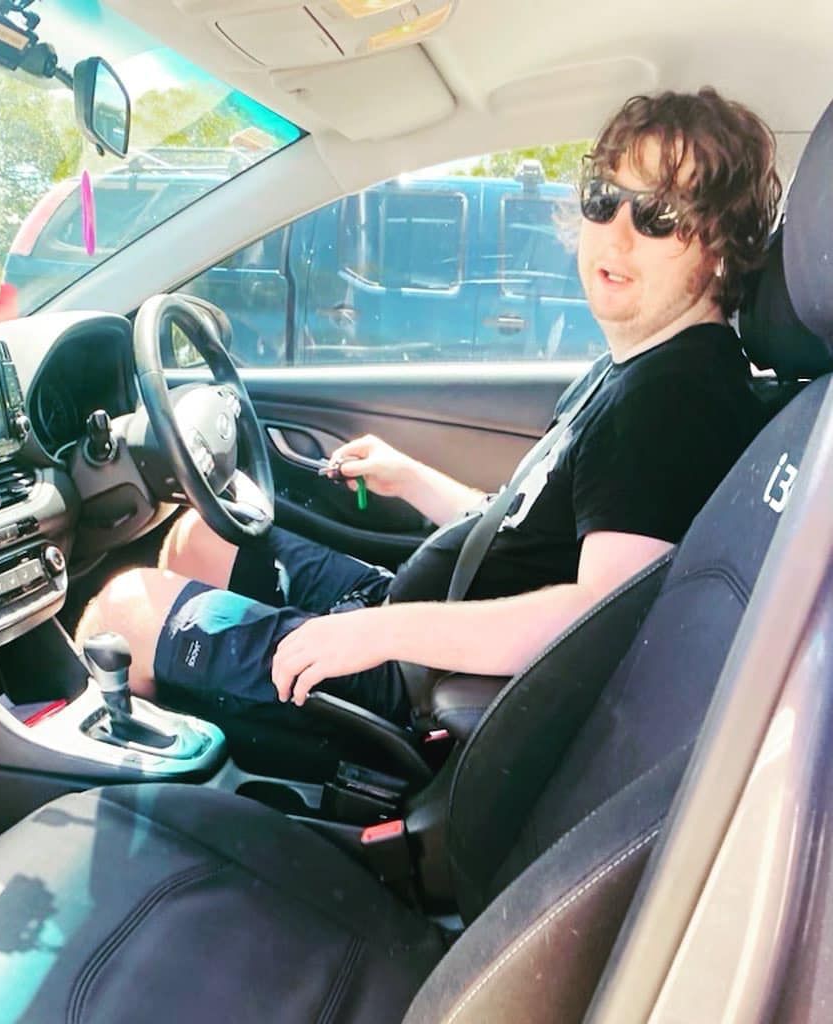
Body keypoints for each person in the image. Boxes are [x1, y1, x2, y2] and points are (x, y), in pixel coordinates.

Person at [75, 87, 781, 730]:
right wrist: (411, 479)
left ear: (722, 246)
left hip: (414, 682)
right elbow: (524, 526)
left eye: (657, 216)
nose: (616, 235)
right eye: (604, 201)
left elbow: (595, 614)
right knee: (197, 540)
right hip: (410, 616)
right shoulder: (641, 368)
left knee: (122, 608)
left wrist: (376, 635)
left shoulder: (676, 400)